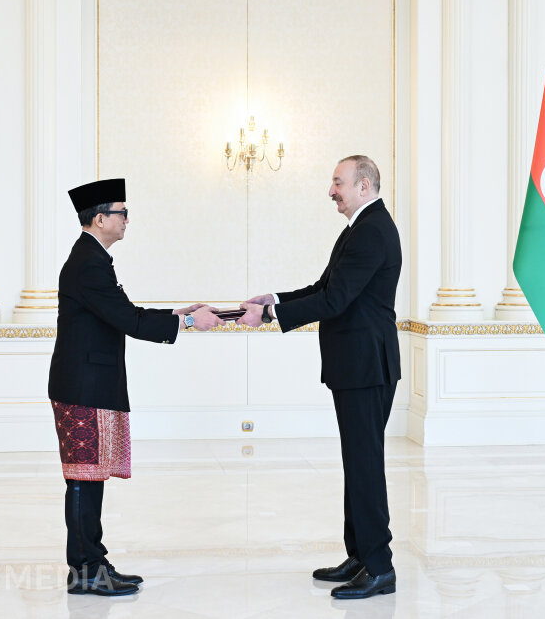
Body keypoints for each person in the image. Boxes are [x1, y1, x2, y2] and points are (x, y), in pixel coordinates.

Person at [48, 178, 223, 596]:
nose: (127, 219)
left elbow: (123, 312)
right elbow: (128, 320)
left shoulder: (93, 258)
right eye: (122, 212)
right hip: (82, 386)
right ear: (100, 218)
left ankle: (93, 561)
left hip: (88, 383)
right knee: (83, 478)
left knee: (90, 477)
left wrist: (176, 314)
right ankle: (85, 569)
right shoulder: (88, 262)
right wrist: (188, 322)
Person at [238, 155, 401, 600]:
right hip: (356, 365)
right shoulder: (358, 229)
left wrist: (270, 316)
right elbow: (323, 289)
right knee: (357, 462)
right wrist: (273, 300)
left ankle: (380, 567)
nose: (331, 191)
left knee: (365, 465)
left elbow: (336, 300)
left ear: (364, 186)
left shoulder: (372, 230)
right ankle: (360, 555)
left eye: (338, 182)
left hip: (366, 366)